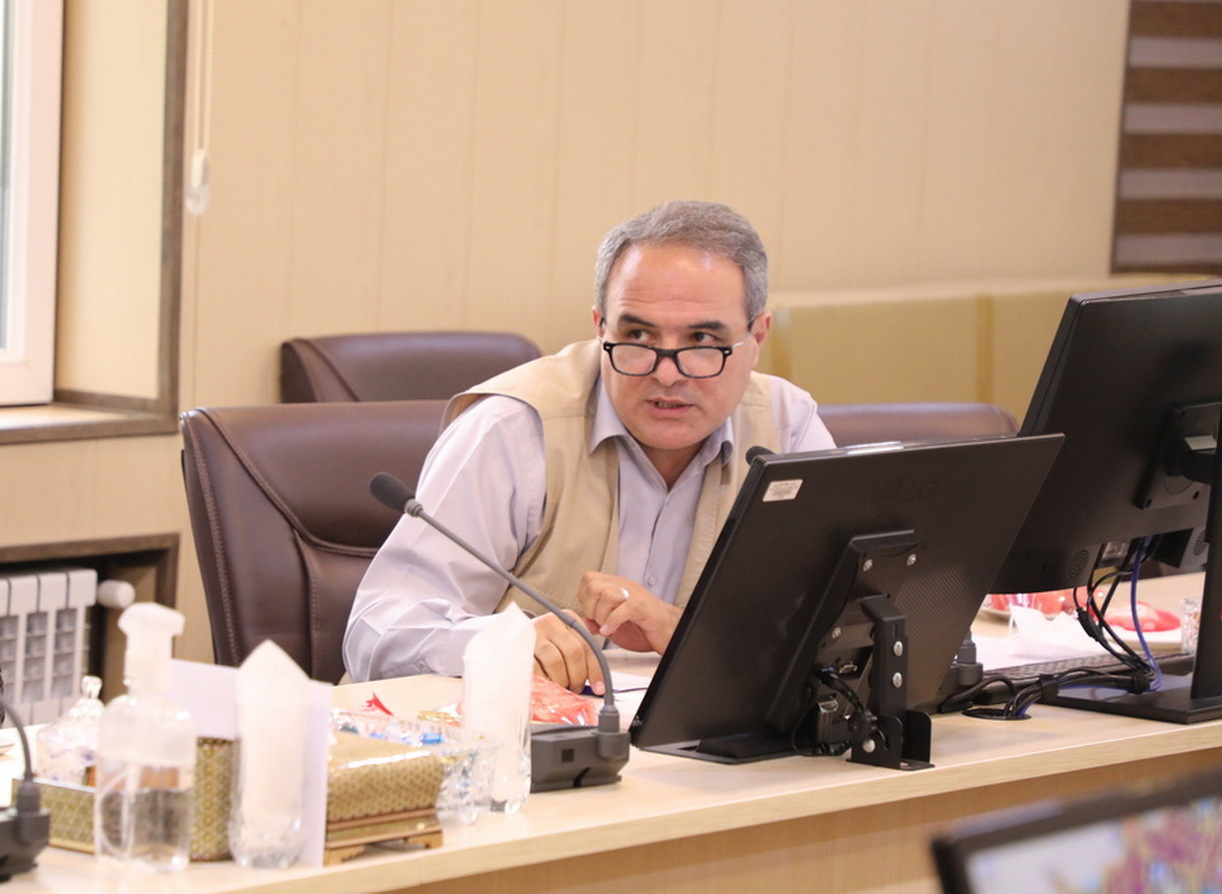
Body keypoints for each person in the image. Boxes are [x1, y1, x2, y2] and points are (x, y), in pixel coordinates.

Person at [343, 200, 836, 691]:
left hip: (690, 736)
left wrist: (684, 632)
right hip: (491, 732)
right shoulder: (513, 430)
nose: (667, 374)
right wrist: (495, 643)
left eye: (703, 339)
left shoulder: (787, 427)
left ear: (757, 336)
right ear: (600, 328)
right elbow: (375, 631)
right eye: (637, 334)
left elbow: (839, 624)